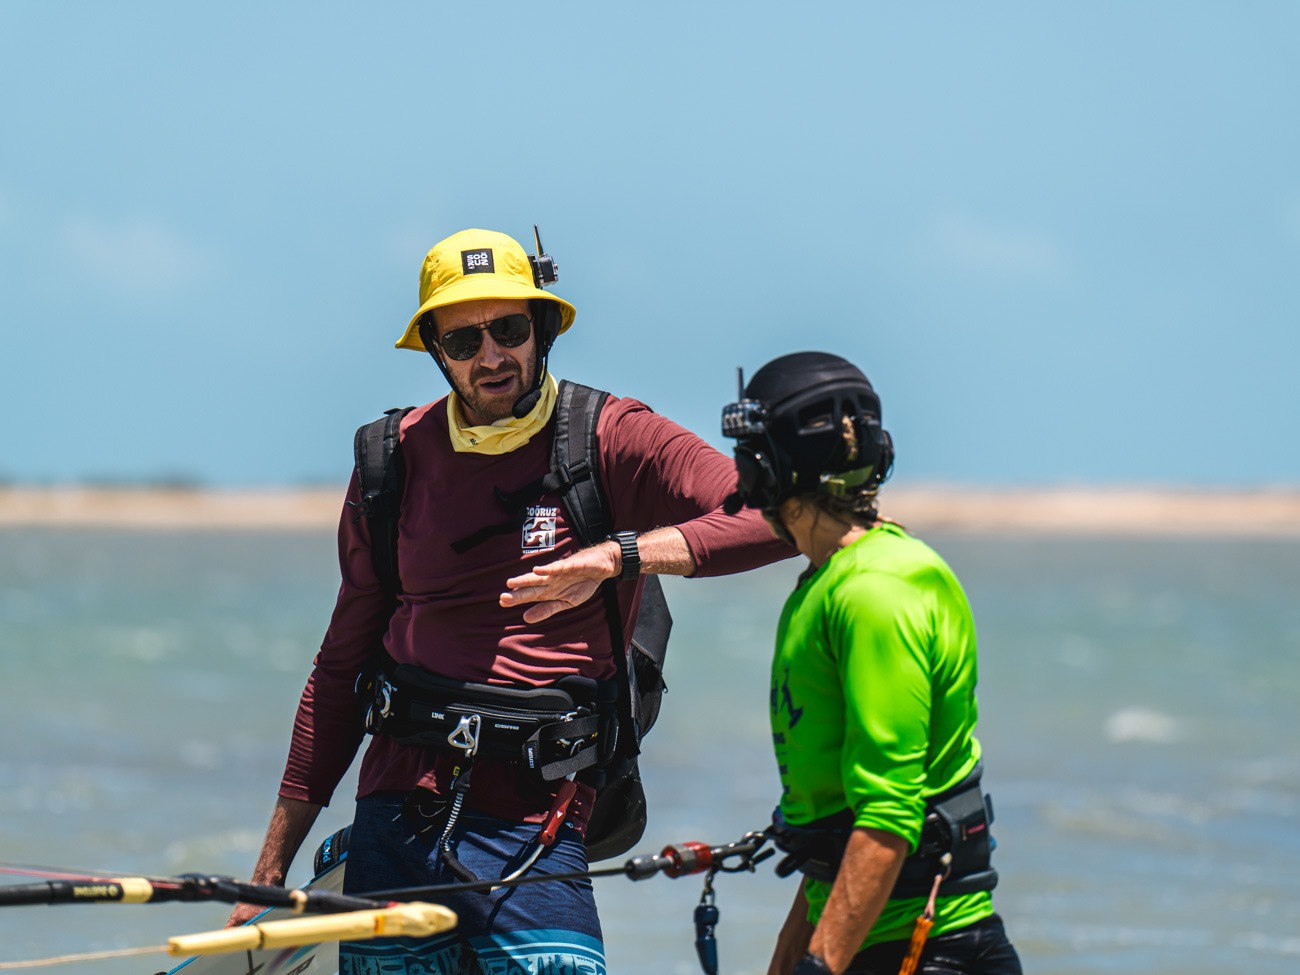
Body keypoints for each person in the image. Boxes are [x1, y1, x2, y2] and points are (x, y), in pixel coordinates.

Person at [230, 227, 792, 974]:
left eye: (509, 329)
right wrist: (269, 869)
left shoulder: (610, 436)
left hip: (539, 819)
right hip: (395, 816)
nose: (491, 356)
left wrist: (618, 554)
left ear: (544, 328)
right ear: (433, 348)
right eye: (463, 340)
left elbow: (774, 515)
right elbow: (339, 669)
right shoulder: (389, 458)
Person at [720, 352, 1021, 975]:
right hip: (866, 944)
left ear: (770, 467)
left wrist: (817, 968)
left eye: (747, 455)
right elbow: (832, 836)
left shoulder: (877, 591)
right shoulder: (826, 582)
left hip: (931, 951)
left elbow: (886, 818)